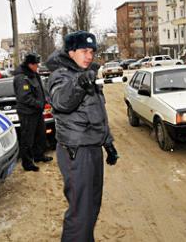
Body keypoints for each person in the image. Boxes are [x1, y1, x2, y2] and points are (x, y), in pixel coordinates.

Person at [45, 31, 119, 242]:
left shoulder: (85, 73)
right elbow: (61, 101)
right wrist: (79, 83)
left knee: (91, 207)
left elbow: (97, 115)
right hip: (76, 152)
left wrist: (108, 143)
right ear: (71, 52)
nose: (89, 56)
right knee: (80, 212)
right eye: (84, 51)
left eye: (92, 51)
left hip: (92, 148)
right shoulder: (60, 75)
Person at [13, 53, 53, 172]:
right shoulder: (22, 77)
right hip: (27, 113)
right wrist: (39, 104)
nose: (38, 66)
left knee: (40, 135)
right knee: (28, 139)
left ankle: (39, 155)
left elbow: (39, 89)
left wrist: (44, 100)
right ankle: (28, 163)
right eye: (36, 64)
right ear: (30, 64)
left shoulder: (33, 74)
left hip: (36, 112)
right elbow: (24, 97)